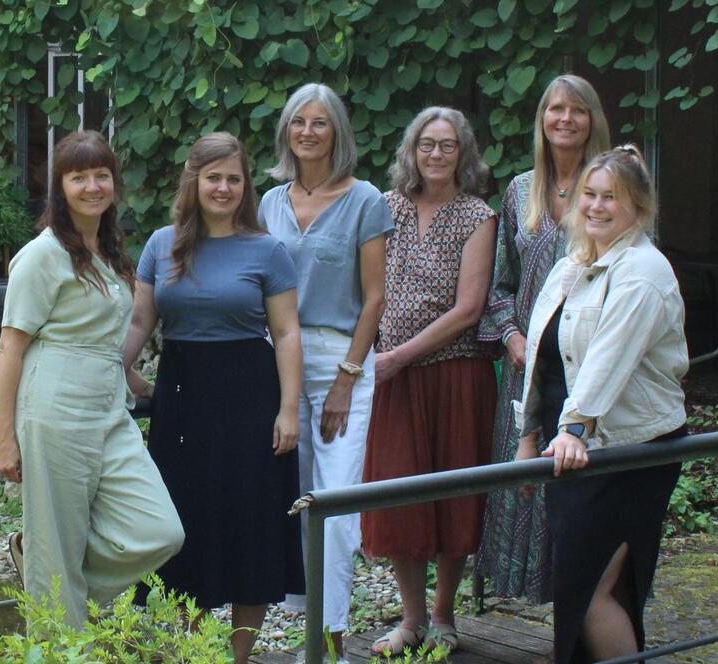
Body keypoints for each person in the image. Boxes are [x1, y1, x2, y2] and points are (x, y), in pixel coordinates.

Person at [123, 132, 304, 663]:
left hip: (251, 396)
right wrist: (122, 370)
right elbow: (139, 320)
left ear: (245, 185)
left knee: (251, 523)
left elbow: (288, 333)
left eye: (233, 178)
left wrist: (289, 410)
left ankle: (239, 657)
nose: (223, 187)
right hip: (182, 398)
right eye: (213, 177)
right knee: (186, 525)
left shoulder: (267, 249)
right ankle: (195, 651)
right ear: (194, 180)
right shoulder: (162, 243)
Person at [0, 130, 184, 630]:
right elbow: (11, 347)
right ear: (60, 187)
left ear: (115, 184)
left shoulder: (110, 250)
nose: (92, 186)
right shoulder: (42, 254)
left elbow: (103, 337)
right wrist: (5, 436)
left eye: (101, 175)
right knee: (55, 550)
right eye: (79, 177)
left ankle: (47, 576)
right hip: (55, 409)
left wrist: (139, 384)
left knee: (160, 531)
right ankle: (56, 626)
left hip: (108, 411)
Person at [515, 145, 688, 663]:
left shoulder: (642, 270)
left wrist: (574, 428)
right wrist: (529, 436)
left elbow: (608, 358)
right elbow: (543, 360)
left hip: (626, 450)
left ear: (638, 205)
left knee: (592, 592)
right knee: (582, 591)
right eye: (589, 194)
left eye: (610, 197)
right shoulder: (575, 265)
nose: (595, 206)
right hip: (573, 449)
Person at [258, 82, 394, 658]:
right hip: (277, 364)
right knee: (293, 500)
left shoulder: (366, 200)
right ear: (286, 131)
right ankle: (307, 629)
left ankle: (333, 641)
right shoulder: (268, 202)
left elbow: (375, 299)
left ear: (337, 131)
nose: (307, 132)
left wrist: (346, 377)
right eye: (298, 122)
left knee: (336, 506)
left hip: (341, 361)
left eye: (319, 122)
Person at [361, 107, 498, 656]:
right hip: (393, 378)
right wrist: (373, 358)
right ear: (410, 152)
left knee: (454, 498)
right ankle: (411, 619)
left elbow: (469, 310)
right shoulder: (384, 208)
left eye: (447, 145)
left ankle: (444, 617)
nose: (436, 155)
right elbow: (365, 289)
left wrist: (397, 357)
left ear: (462, 153)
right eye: (426, 144)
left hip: (455, 376)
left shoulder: (477, 216)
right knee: (399, 498)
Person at [475, 74, 611, 603]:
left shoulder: (608, 191)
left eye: (578, 110)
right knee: (525, 488)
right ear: (542, 119)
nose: (565, 119)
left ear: (592, 119)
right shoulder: (518, 191)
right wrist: (510, 335)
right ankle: (546, 627)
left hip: (587, 365)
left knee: (579, 499)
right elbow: (500, 282)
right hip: (525, 368)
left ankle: (576, 631)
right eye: (556, 109)